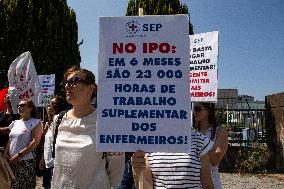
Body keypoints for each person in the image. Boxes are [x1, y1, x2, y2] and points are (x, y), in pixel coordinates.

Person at [51, 66, 125, 189]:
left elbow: (116, 172)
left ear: (91, 88)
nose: (67, 86)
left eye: (74, 81)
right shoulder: (58, 120)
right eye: (65, 83)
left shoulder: (108, 124)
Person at [131, 130, 214, 189]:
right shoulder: (148, 141)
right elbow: (146, 186)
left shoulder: (197, 139)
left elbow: (207, 185)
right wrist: (137, 172)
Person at [3, 99, 42, 189]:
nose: (19, 107)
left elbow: (35, 142)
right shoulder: (15, 122)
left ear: (30, 108)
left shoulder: (35, 122)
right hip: (11, 162)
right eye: (18, 106)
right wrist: (5, 153)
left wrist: (18, 156)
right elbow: (10, 138)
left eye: (22, 105)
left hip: (26, 162)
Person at [193, 102, 228, 189]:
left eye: (197, 109)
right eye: (192, 108)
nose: (194, 112)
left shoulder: (219, 131)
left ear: (208, 111)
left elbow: (214, 160)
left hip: (211, 183)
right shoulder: (191, 132)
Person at [38, 95, 68, 189]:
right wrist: (43, 157)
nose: (49, 105)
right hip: (48, 163)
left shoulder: (63, 121)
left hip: (57, 165)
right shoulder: (49, 123)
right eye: (49, 103)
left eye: (53, 103)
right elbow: (48, 144)